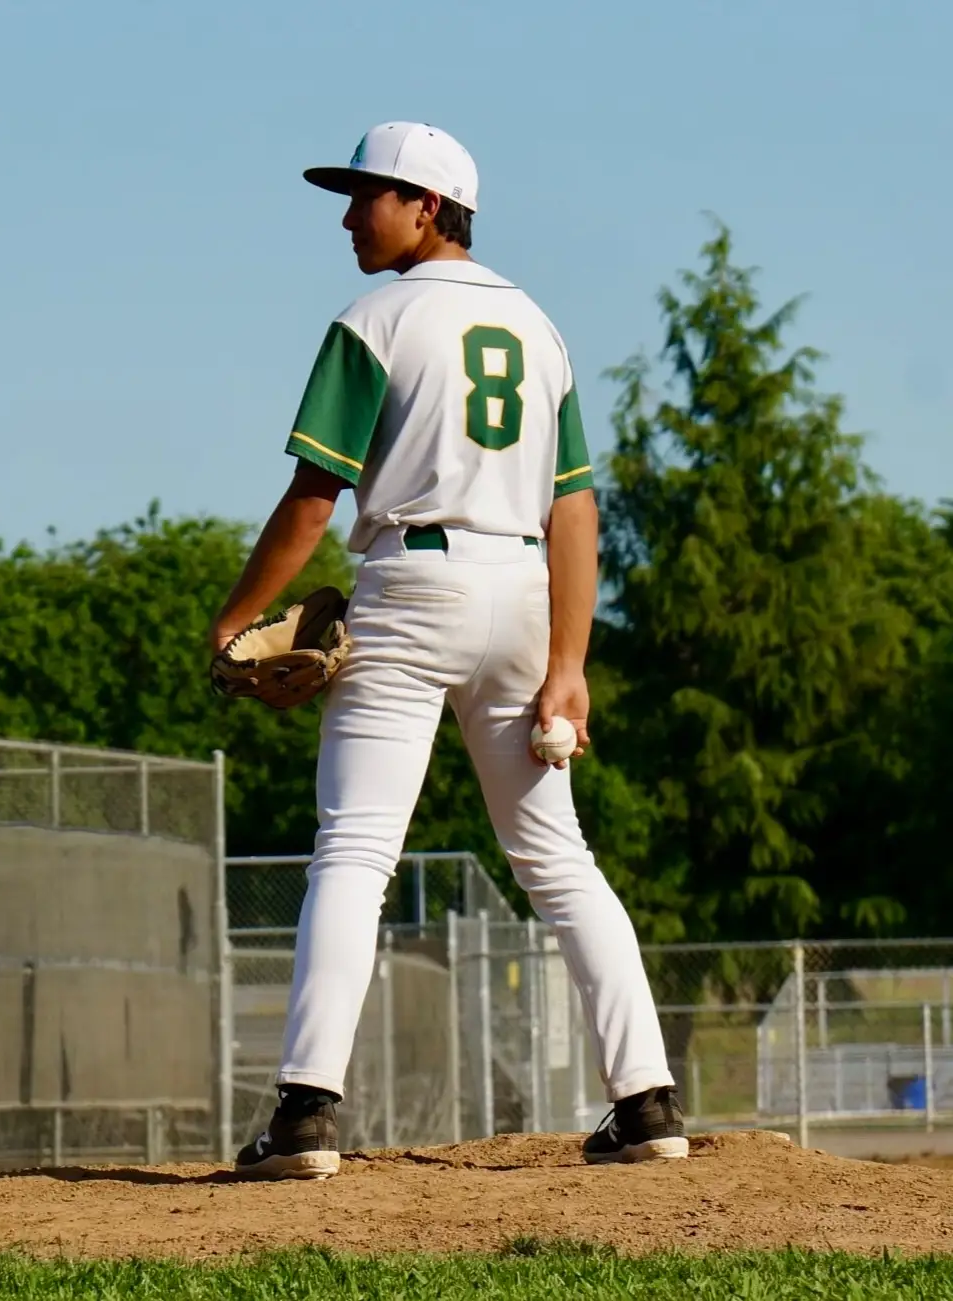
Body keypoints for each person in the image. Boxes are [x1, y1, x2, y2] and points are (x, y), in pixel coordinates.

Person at [211, 121, 688, 1180]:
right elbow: (574, 508)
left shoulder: (375, 319)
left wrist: (231, 616)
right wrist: (569, 664)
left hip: (412, 582)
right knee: (557, 856)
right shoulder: (539, 327)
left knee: (355, 848)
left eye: (368, 195)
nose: (349, 216)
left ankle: (305, 1112)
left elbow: (314, 497)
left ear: (427, 205)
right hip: (521, 592)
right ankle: (646, 1099)